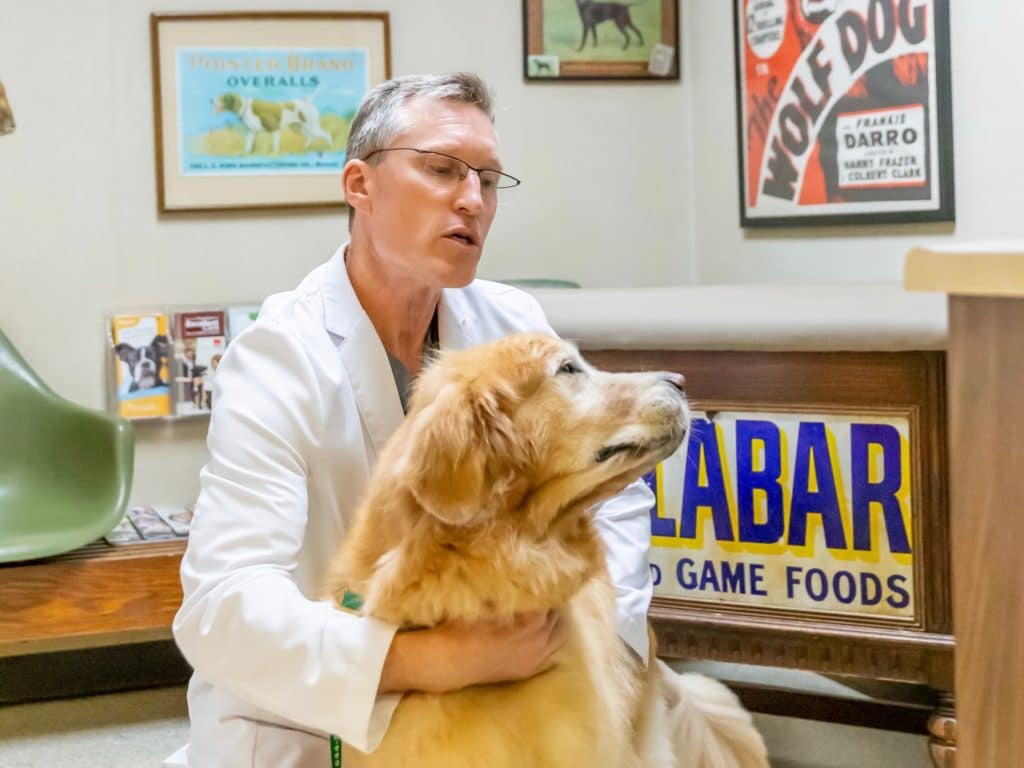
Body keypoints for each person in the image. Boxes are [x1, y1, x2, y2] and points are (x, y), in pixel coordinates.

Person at [167, 72, 655, 768]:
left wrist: (608, 641)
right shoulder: (278, 356)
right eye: (442, 169)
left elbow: (613, 485)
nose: (473, 200)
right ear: (360, 186)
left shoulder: (513, 324)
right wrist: (430, 660)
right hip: (317, 723)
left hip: (513, 693)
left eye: (488, 179)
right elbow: (222, 608)